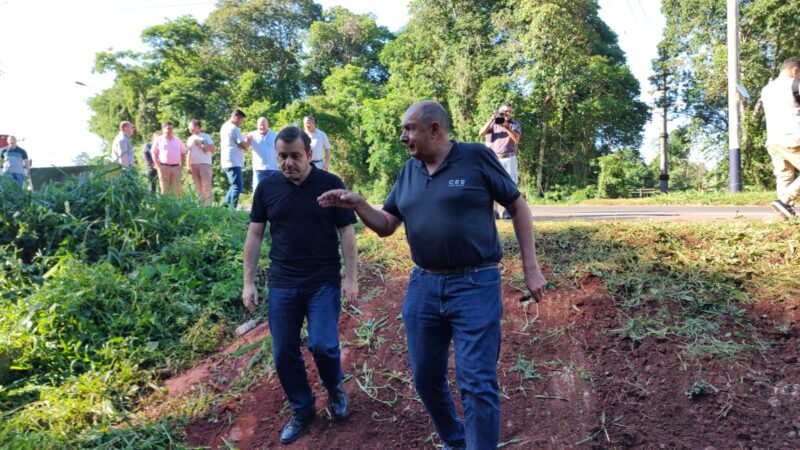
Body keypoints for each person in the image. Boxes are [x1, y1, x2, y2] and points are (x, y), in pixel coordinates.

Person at [318, 100, 546, 450]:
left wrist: (531, 268)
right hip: (424, 286)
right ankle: (456, 440)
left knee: (476, 381)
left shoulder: (475, 157)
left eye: (409, 129)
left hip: (475, 283)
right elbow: (387, 225)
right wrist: (359, 203)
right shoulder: (409, 171)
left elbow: (517, 206)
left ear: (434, 129)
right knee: (426, 377)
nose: (402, 136)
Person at [242, 126, 358, 445]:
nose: (288, 163)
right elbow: (254, 235)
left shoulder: (330, 184)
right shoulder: (267, 189)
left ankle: (334, 388)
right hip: (282, 284)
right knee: (283, 352)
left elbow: (347, 233)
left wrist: (350, 277)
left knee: (323, 345)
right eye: (282, 156)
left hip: (323, 281)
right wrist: (248, 282)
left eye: (295, 156)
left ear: (309, 154)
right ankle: (303, 409)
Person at [761, 57, 800, 219]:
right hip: (794, 137)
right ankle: (785, 200)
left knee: (784, 175)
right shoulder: (794, 84)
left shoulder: (766, 89)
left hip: (773, 140)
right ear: (796, 71)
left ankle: (785, 215)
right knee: (785, 179)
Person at [479, 102, 522, 219]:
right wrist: (492, 119)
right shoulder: (493, 123)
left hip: (509, 158)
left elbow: (516, 139)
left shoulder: (514, 124)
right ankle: (494, 211)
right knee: (492, 184)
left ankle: (508, 211)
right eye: (505, 111)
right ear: (500, 112)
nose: (507, 114)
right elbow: (481, 133)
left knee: (511, 185)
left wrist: (506, 127)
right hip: (493, 158)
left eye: (509, 111)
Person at [220, 109, 252, 208]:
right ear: (236, 117)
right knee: (237, 186)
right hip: (233, 161)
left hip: (227, 160)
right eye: (241, 121)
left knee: (234, 185)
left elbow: (233, 140)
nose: (241, 123)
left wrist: (242, 136)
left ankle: (224, 208)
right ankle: (231, 209)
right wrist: (249, 140)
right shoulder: (234, 128)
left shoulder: (225, 126)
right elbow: (243, 145)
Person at [152, 122, 187, 198]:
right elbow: (153, 153)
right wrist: (158, 166)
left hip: (176, 167)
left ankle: (177, 208)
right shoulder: (159, 140)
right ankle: (165, 208)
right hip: (163, 167)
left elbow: (183, 153)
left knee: (177, 190)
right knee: (164, 190)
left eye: (171, 128)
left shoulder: (177, 140)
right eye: (168, 128)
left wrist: (182, 166)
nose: (170, 130)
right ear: (163, 129)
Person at [186, 119, 216, 205]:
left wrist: (201, 145)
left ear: (198, 127)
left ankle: (208, 206)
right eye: (189, 128)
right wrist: (188, 166)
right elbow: (188, 152)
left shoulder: (205, 136)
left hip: (205, 164)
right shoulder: (190, 139)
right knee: (197, 186)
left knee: (206, 185)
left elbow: (213, 149)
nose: (189, 129)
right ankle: (200, 205)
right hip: (193, 165)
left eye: (191, 127)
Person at [248, 117, 278, 191]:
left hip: (273, 169)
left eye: (264, 125)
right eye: (260, 125)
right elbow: (244, 145)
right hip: (259, 170)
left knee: (273, 192)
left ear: (268, 125)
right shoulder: (252, 135)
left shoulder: (275, 135)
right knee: (258, 192)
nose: (262, 127)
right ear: (257, 125)